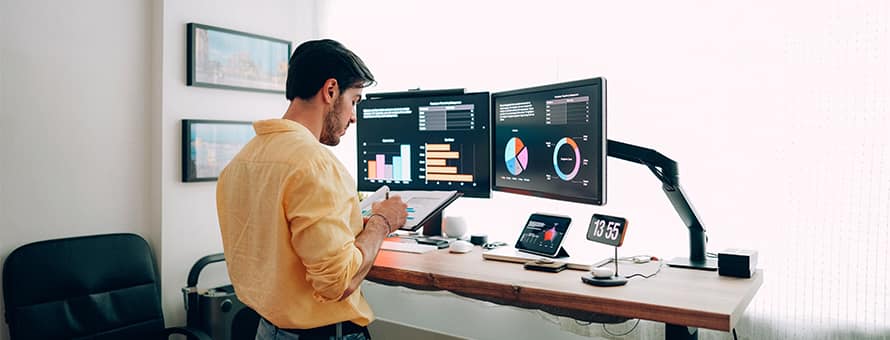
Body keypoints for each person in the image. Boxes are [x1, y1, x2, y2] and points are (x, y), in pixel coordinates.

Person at [216, 39, 408, 340]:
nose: (354, 116)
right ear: (330, 91)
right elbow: (337, 282)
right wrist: (383, 223)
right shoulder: (315, 165)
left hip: (266, 330)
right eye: (355, 100)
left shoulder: (241, 161)